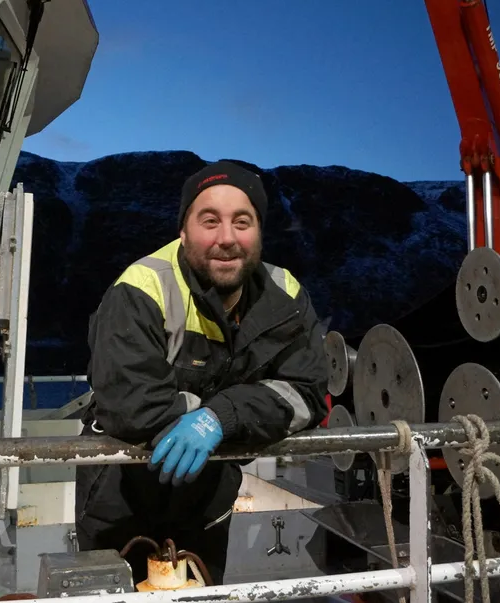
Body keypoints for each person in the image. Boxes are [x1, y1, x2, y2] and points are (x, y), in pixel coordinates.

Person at [73, 160, 330, 586]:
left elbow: (306, 394)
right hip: (122, 494)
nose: (226, 238)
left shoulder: (286, 298)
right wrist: (243, 411)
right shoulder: (142, 288)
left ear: (259, 232)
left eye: (242, 222)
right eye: (209, 221)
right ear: (184, 231)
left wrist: (219, 417)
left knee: (203, 592)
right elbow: (131, 405)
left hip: (210, 496)